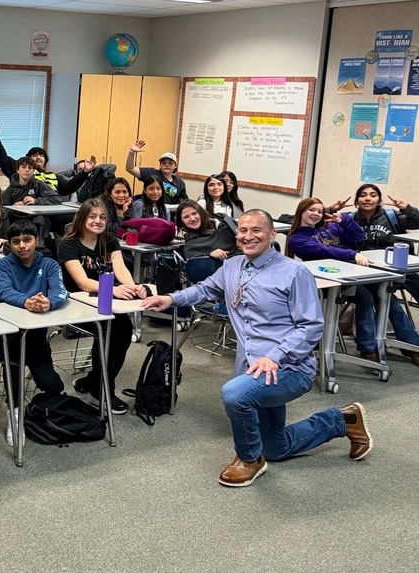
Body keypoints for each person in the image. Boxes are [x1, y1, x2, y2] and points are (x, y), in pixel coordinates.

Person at [141, 210, 372, 487]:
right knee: (275, 447)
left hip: (289, 367)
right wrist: (170, 298)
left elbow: (311, 326)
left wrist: (274, 356)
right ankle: (343, 420)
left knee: (235, 394)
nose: (248, 236)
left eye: (257, 231)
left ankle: (249, 459)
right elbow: (203, 290)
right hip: (252, 367)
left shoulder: (294, 272)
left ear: (273, 235)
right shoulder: (232, 266)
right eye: (243, 231)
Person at [287, 197, 419, 365]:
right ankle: (368, 348)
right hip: (329, 281)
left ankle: (411, 345)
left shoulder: (331, 227)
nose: (316, 214)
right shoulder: (297, 238)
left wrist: (345, 222)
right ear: (301, 212)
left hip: (351, 274)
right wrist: (352, 254)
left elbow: (358, 237)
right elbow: (326, 250)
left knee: (386, 296)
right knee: (365, 297)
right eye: (311, 210)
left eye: (319, 211)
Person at [58, 199, 147, 415]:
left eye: (102, 217)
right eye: (92, 217)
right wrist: (114, 291)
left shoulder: (109, 241)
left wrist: (133, 287)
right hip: (77, 304)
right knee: (109, 331)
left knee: (123, 329)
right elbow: (82, 282)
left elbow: (120, 268)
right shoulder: (68, 244)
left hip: (105, 301)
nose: (97, 221)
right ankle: (101, 391)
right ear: (81, 218)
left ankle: (93, 382)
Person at [0, 219, 69, 446]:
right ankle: (14, 411)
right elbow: (3, 291)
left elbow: (60, 291)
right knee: (14, 371)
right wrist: (27, 301)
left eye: (27, 240)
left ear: (37, 240)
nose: (22, 246)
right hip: (9, 336)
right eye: (16, 242)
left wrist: (48, 303)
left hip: (35, 336)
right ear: (10, 244)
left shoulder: (50, 265)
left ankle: (52, 405)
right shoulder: (2, 265)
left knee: (50, 383)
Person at [333, 182, 419, 306]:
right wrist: (332, 209)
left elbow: (416, 222)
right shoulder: (348, 219)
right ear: (357, 201)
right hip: (365, 269)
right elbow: (314, 218)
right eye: (363, 195)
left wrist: (407, 209)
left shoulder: (392, 216)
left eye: (373, 195)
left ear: (379, 201)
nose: (368, 198)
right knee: (382, 299)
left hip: (395, 267)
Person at [125, 140, 187, 206]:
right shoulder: (151, 173)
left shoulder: (180, 183)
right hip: (149, 210)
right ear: (160, 165)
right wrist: (132, 152)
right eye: (164, 163)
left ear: (175, 166)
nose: (167, 165)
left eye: (170, 163)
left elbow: (183, 202)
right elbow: (130, 168)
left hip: (168, 212)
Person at [100, 176, 133, 242]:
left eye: (124, 192)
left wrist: (126, 210)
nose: (121, 196)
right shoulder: (103, 206)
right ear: (110, 194)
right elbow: (111, 231)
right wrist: (120, 218)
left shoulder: (127, 205)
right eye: (117, 192)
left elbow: (131, 229)